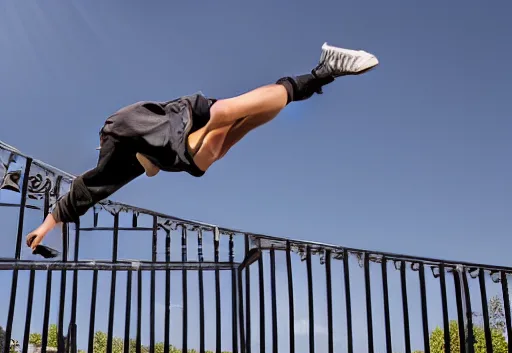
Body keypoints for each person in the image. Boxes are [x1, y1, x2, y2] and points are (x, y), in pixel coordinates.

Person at [26, 43, 378, 257]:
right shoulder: (132, 138)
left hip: (173, 128)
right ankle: (322, 72)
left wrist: (48, 223)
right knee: (240, 122)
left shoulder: (117, 143)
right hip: (186, 113)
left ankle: (321, 72)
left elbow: (85, 189)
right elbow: (84, 191)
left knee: (212, 144)